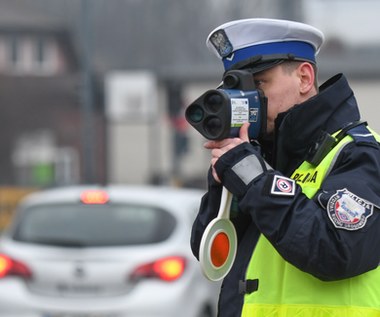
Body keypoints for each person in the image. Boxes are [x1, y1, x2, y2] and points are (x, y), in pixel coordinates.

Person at [190, 18, 380, 317]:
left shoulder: (359, 152)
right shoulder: (260, 157)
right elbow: (211, 257)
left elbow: (338, 251)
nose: (249, 98)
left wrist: (255, 179)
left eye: (259, 83)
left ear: (304, 77)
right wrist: (223, 187)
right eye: (237, 86)